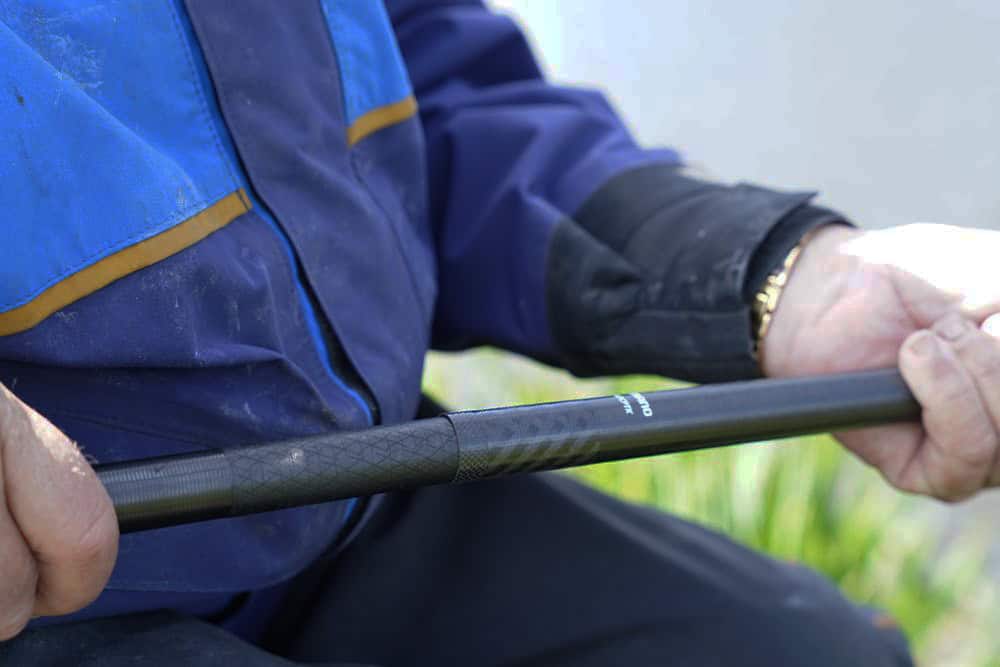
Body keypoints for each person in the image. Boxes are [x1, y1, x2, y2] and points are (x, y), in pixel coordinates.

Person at [1, 1, 997, 665]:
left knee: (820, 653)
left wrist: (788, 281)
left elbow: (416, 74)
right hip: (50, 605)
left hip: (358, 491)